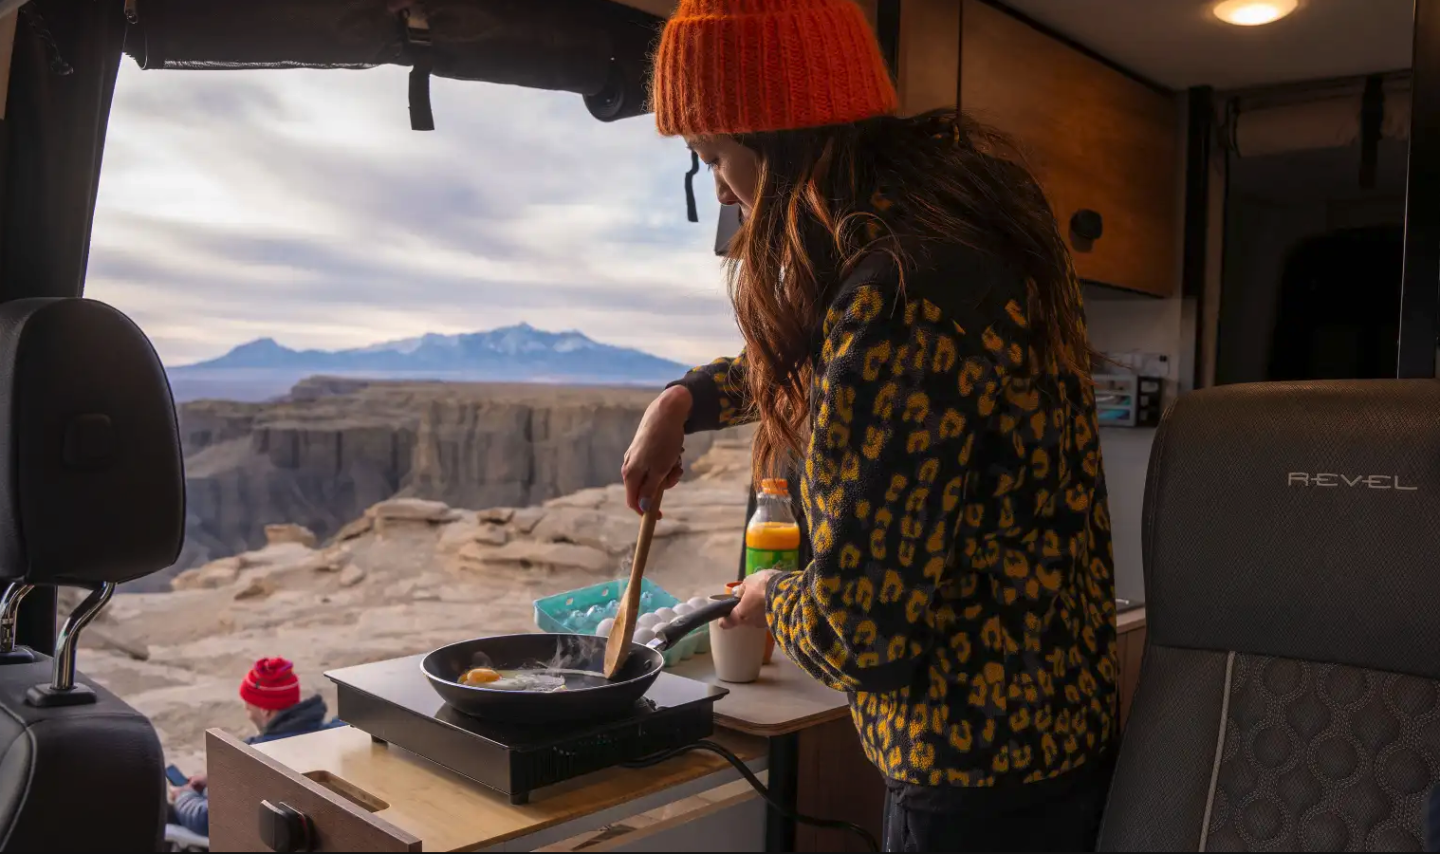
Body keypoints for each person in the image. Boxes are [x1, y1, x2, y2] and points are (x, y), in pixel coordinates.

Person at [621, 1, 1119, 851]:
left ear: (771, 136)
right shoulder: (947, 231)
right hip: (1049, 729)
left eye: (714, 159)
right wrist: (683, 401)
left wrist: (769, 595)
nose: (725, 199)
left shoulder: (899, 294)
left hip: (977, 772)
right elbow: (838, 366)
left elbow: (861, 633)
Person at [165, 658, 343, 838]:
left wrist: (184, 796)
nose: (246, 711)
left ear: (265, 711)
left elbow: (207, 818)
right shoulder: (329, 733)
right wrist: (212, 776)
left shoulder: (257, 761)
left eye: (248, 705)